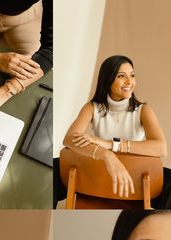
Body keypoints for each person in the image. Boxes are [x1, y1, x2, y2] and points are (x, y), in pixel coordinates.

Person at [54, 55, 171, 209]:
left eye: (132, 75)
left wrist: (110, 145)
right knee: (53, 169)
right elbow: (69, 139)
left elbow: (161, 148)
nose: (130, 82)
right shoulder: (92, 108)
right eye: (122, 76)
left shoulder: (143, 111)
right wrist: (106, 155)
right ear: (108, 80)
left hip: (133, 180)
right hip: (99, 176)